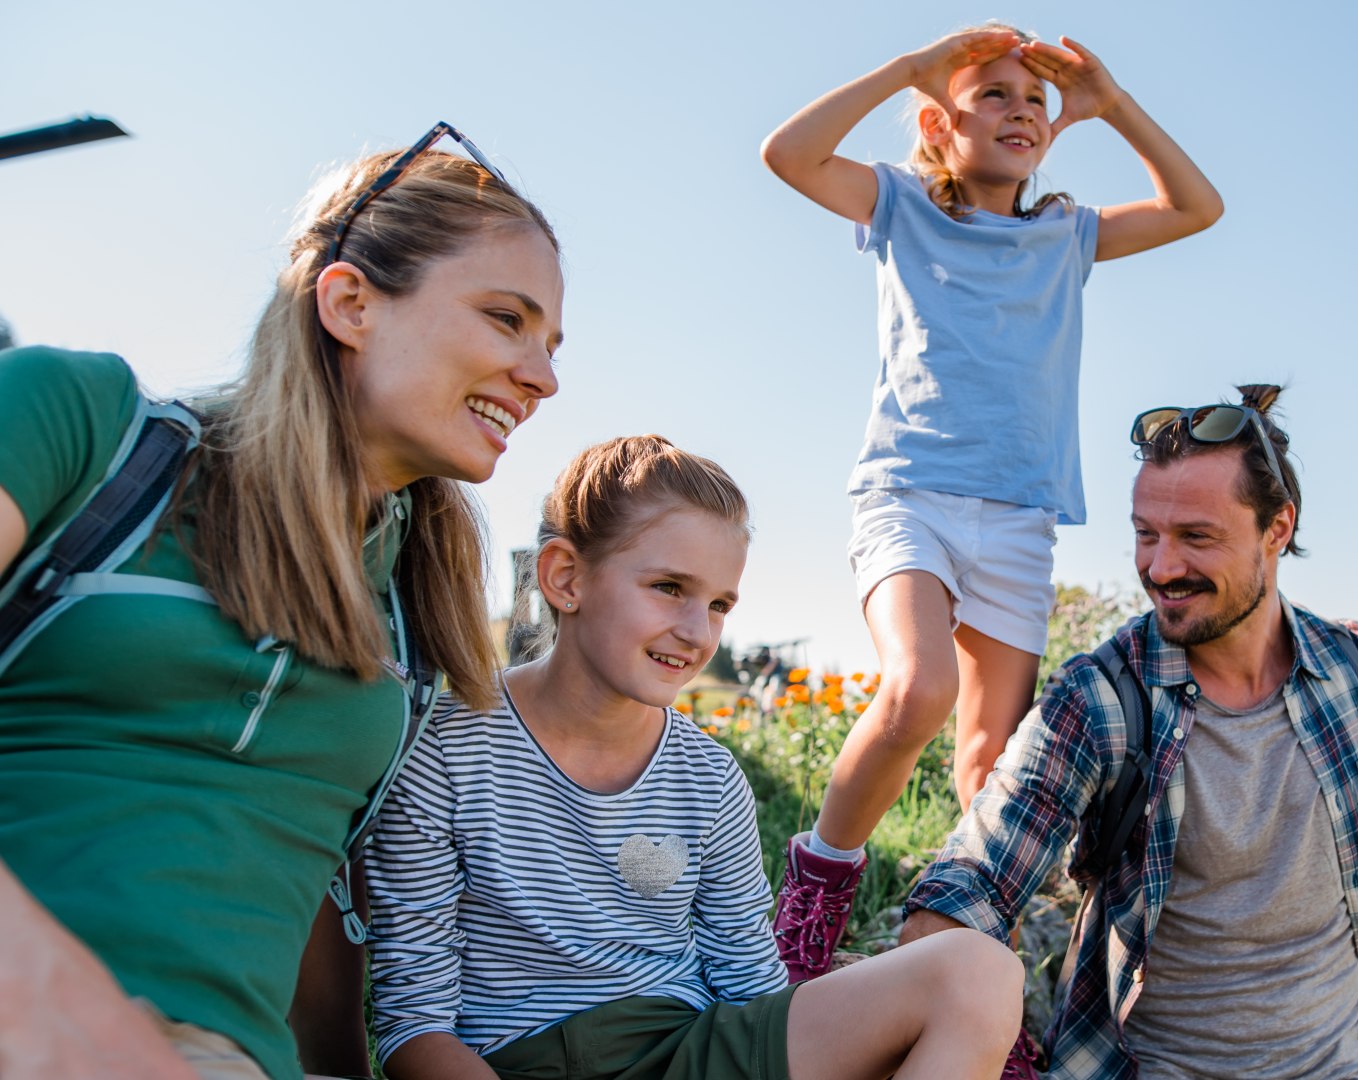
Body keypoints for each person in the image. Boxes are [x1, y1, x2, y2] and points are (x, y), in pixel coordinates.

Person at [0, 124, 563, 1080]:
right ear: (349, 303)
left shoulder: (413, 620)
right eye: (508, 320)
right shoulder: (81, 423)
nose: (543, 378)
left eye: (550, 345)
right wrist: (74, 1018)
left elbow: (313, 893)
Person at [758, 22, 1224, 981]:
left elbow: (1198, 206)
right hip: (911, 494)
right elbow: (787, 154)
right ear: (939, 122)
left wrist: (1109, 102)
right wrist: (909, 67)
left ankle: (967, 963)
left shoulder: (1067, 234)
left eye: (1035, 100)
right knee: (918, 688)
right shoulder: (896, 205)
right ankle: (815, 893)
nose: (1022, 111)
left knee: (991, 768)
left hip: (1019, 518)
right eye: (993, 95)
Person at [898, 386, 1358, 1080]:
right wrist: (951, 970)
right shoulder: (1101, 699)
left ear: (1278, 530)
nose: (1162, 568)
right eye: (1146, 534)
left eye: (1196, 537)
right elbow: (972, 879)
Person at [365, 436, 1025, 1080]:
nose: (696, 631)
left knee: (978, 971)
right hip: (528, 1055)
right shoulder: (447, 751)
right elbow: (412, 1024)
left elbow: (747, 979)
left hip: (692, 1045)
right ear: (565, 577)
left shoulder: (709, 777)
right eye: (668, 586)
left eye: (718, 604)